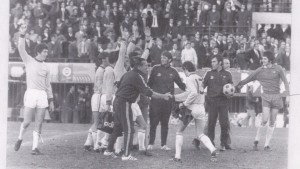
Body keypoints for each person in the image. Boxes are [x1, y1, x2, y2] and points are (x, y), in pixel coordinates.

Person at [103, 56, 172, 161]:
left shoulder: (128, 74)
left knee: (117, 128)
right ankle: (126, 155)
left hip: (118, 100)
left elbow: (118, 85)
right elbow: (148, 92)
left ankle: (108, 151)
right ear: (138, 66)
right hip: (124, 102)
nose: (147, 67)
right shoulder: (137, 76)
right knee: (129, 129)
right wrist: (163, 96)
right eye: (145, 65)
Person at [236, 51, 289, 151]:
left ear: (270, 59)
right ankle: (256, 139)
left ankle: (266, 145)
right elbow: (249, 78)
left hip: (277, 97)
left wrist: (287, 95)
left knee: (272, 122)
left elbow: (285, 82)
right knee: (264, 120)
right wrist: (239, 84)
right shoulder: (260, 70)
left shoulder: (278, 69)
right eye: (263, 58)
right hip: (266, 97)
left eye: (264, 59)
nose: (262, 60)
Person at [14, 24, 54, 155]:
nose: (46, 53)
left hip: (42, 95)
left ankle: (35, 148)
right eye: (44, 51)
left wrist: (51, 100)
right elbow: (21, 48)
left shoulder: (47, 67)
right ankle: (20, 138)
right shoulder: (29, 61)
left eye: (47, 52)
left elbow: (48, 85)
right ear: (38, 52)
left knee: (39, 122)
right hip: (31, 93)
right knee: (27, 122)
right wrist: (22, 34)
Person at [171, 61, 217, 163]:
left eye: (184, 70)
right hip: (201, 108)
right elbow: (189, 93)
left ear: (186, 69)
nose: (185, 73)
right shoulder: (199, 77)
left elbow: (193, 93)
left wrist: (184, 104)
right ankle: (212, 150)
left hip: (191, 108)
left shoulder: (189, 78)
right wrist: (175, 97)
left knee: (179, 131)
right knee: (200, 134)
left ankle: (177, 156)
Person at [147, 51, 186, 151]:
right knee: (153, 123)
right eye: (161, 57)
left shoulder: (173, 71)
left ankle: (163, 144)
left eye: (164, 58)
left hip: (167, 102)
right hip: (156, 101)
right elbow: (149, 84)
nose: (162, 59)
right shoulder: (155, 69)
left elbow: (181, 85)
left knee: (165, 123)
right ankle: (151, 143)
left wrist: (191, 88)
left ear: (169, 60)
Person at [202, 55, 233, 151]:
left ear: (219, 62)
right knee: (211, 124)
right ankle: (211, 143)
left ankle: (223, 144)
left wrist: (230, 94)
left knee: (224, 124)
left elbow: (231, 88)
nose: (212, 63)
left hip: (223, 102)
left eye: (214, 61)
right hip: (212, 102)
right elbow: (202, 85)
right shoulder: (208, 73)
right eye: (212, 62)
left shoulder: (228, 74)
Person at [83, 54, 108, 152]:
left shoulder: (101, 69)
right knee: (98, 121)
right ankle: (96, 145)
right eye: (107, 58)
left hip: (98, 96)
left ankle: (88, 142)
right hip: (98, 96)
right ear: (103, 60)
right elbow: (99, 86)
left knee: (98, 121)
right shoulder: (101, 70)